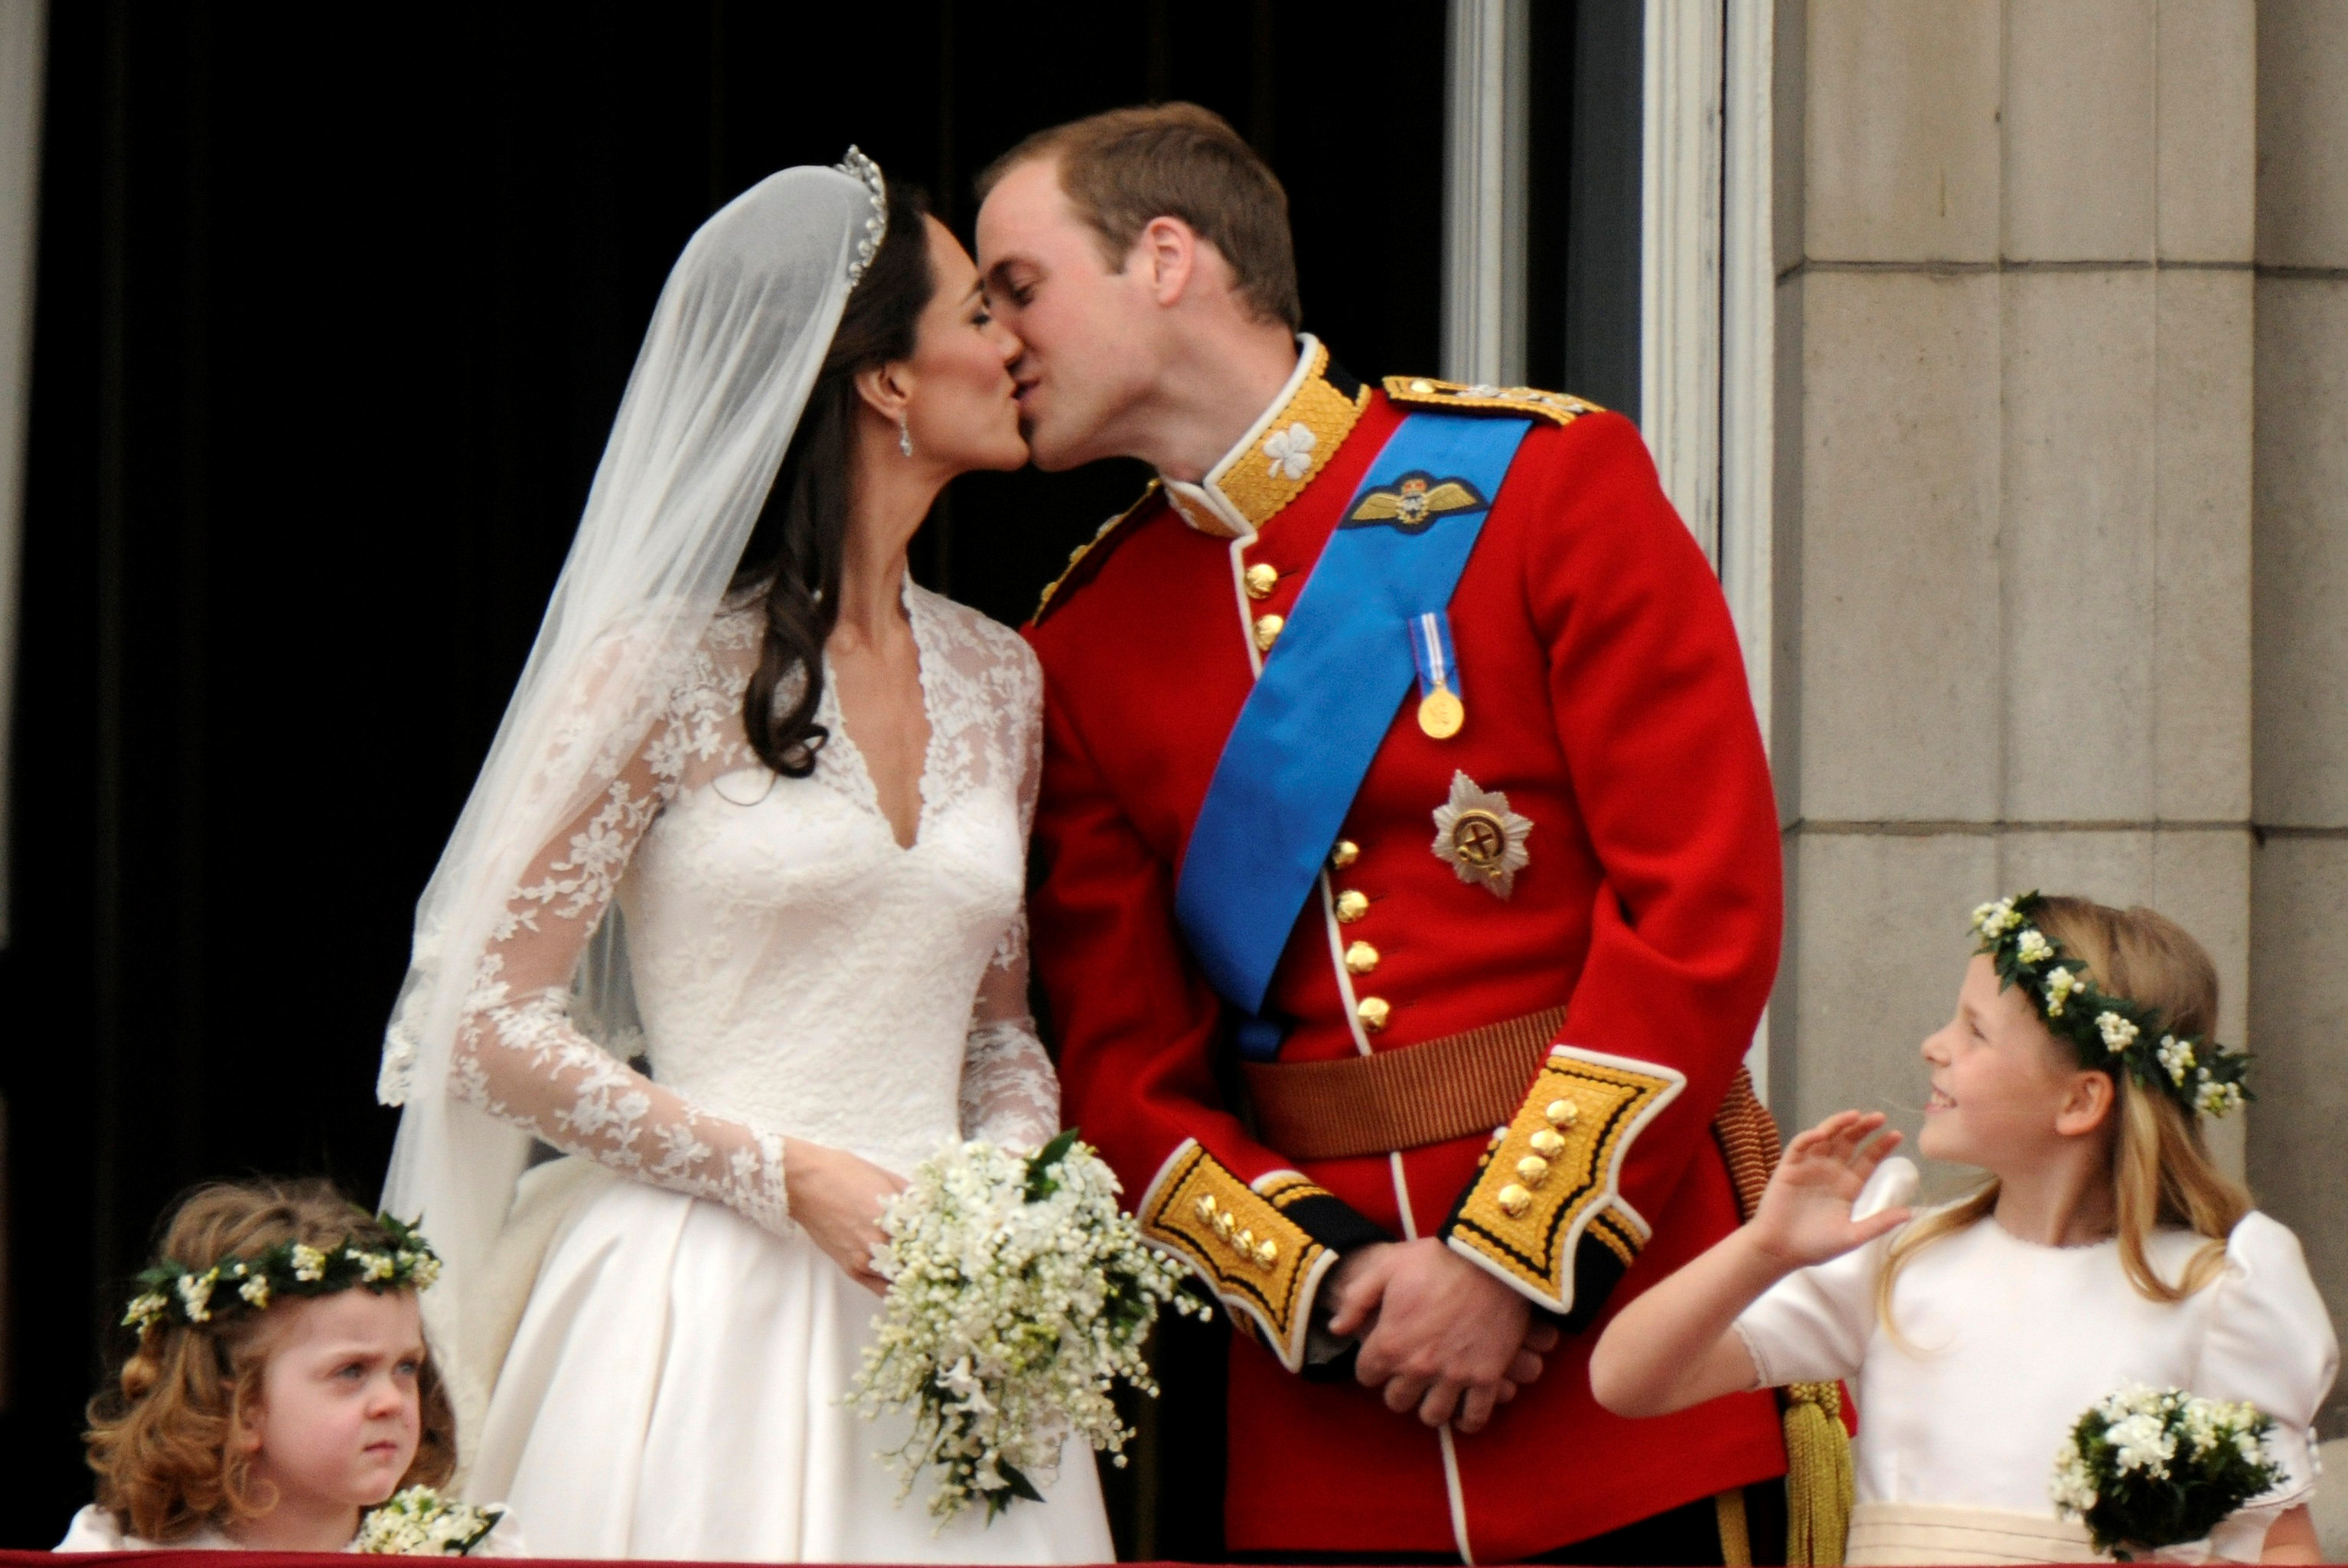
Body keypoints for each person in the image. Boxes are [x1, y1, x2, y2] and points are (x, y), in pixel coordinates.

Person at [980, 104, 1789, 1564]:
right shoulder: (1084, 640)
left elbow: (1700, 909)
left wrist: (1509, 1260)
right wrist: (1334, 1288)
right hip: (1337, 1413)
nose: (992, 336)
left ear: (1165, 257)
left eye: (1017, 285)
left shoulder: (1545, 482)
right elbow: (1119, 1064)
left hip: (1627, 1345)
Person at [373, 155, 1110, 1561]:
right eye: (976, 311)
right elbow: (480, 1016)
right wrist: (787, 1175)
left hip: (956, 1319)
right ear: (884, 380)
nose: (1013, 341)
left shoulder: (1000, 676)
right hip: (704, 1301)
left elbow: (998, 1027)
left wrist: (1010, 1196)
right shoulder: (657, 667)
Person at [1589, 892, 2339, 1566]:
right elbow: (1625, 1381)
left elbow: (2283, 1544)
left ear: (2079, 1101)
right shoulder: (1895, 1256)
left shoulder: (2215, 1290)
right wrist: (1762, 1250)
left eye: (1973, 1031)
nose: (1933, 1044)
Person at [62, 1178, 517, 1554]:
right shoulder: (119, 1554)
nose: (392, 1402)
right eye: (352, 1371)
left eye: (406, 1368)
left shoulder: (471, 1551)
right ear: (237, 1405)